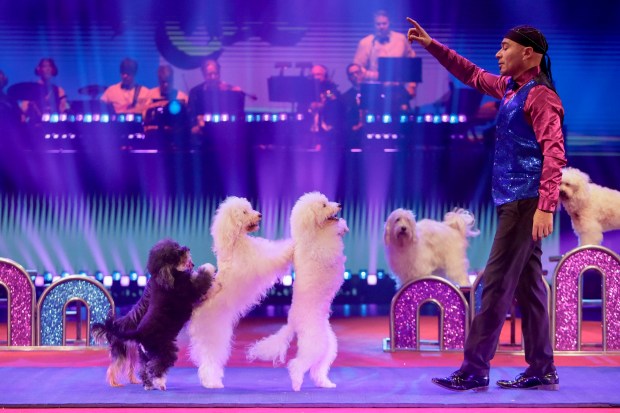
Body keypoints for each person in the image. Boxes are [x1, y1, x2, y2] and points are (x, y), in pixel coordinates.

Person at [407, 19, 566, 391]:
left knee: (494, 285)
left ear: (528, 53)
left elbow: (554, 153)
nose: (498, 54)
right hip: (513, 200)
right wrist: (432, 45)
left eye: (505, 47)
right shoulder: (511, 88)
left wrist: (546, 205)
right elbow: (472, 74)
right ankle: (542, 367)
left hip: (526, 202)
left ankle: (474, 369)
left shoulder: (541, 96)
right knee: (529, 286)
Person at [188, 59, 242, 132]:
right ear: (204, 74)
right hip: (202, 132)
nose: (213, 77)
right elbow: (191, 116)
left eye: (215, 73)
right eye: (209, 74)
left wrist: (237, 95)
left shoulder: (229, 90)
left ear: (219, 73)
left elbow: (237, 114)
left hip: (224, 131)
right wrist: (196, 124)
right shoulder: (195, 92)